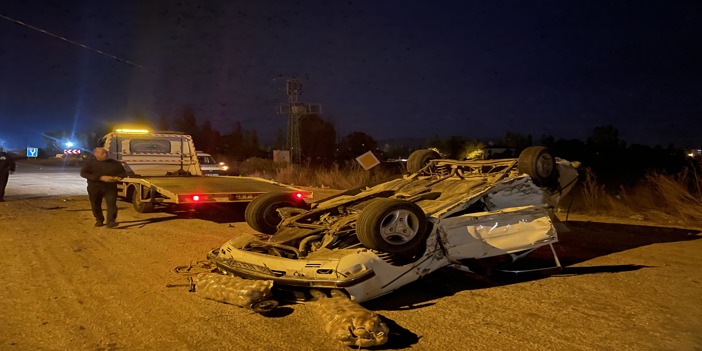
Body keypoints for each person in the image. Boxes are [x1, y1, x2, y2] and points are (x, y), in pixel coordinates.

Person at [80, 147, 127, 228]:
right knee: (95, 204)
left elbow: (123, 173)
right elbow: (83, 173)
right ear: (95, 154)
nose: (105, 155)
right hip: (94, 187)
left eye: (106, 153)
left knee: (112, 204)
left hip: (110, 187)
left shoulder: (115, 163)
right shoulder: (90, 163)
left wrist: (117, 177)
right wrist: (100, 177)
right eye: (102, 153)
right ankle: (99, 219)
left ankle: (111, 221)